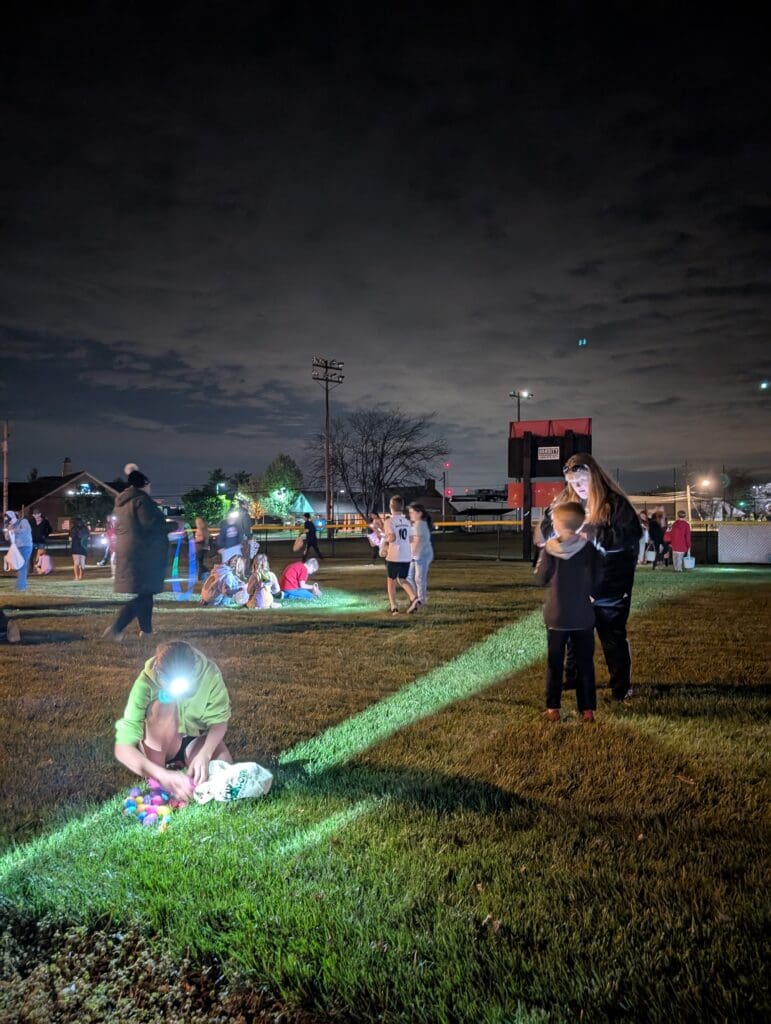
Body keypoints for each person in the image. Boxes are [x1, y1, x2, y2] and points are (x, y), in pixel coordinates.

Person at [540, 454, 642, 702]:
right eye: (572, 483)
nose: (577, 487)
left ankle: (620, 688)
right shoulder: (565, 502)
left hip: (611, 585)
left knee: (612, 636)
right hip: (576, 585)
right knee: (575, 635)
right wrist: (558, 533)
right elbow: (546, 527)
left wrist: (592, 533)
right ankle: (572, 679)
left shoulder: (615, 504)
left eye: (581, 481)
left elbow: (628, 536)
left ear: (594, 476)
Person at [114, 640, 232, 800]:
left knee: (223, 767)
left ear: (192, 670)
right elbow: (122, 747)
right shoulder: (145, 683)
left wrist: (205, 753)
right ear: (158, 670)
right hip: (159, 745)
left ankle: (188, 762)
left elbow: (219, 721)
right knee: (164, 703)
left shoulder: (209, 674)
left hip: (194, 738)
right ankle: (158, 775)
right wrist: (161, 774)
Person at [534, 502, 599, 722]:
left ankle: (553, 708)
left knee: (555, 663)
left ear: (558, 524)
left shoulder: (549, 550)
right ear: (579, 524)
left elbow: (541, 578)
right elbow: (600, 578)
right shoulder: (589, 549)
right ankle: (587, 710)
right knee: (585, 664)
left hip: (557, 615)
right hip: (583, 615)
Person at [106, 463, 172, 640]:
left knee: (146, 593)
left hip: (129, 551)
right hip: (144, 554)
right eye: (149, 485)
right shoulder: (142, 501)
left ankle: (147, 631)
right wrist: (174, 526)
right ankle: (117, 627)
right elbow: (152, 524)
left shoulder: (122, 503)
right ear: (145, 484)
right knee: (145, 594)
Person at [383, 495, 419, 614]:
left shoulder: (389, 521)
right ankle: (413, 598)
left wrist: (385, 541)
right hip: (406, 555)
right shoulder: (407, 522)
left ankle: (394, 607)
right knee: (402, 579)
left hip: (394, 555)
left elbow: (392, 538)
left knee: (391, 581)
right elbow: (411, 539)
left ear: (391, 506)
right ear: (402, 507)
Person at [407, 502, 434, 606]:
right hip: (418, 554)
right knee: (410, 577)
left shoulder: (419, 524)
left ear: (419, 513)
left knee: (419, 578)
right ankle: (415, 598)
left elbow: (417, 541)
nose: (410, 514)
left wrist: (411, 554)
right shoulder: (417, 524)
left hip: (422, 554)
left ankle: (421, 601)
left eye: (412, 512)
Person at [3, 511, 33, 591]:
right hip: (16, 548)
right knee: (18, 565)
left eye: (8, 519)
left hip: (26, 546)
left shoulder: (23, 521)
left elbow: (26, 530)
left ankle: (21, 586)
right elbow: (6, 538)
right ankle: (21, 585)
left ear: (12, 517)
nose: (8, 522)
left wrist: (14, 530)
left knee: (22, 565)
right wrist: (8, 531)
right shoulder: (10, 525)